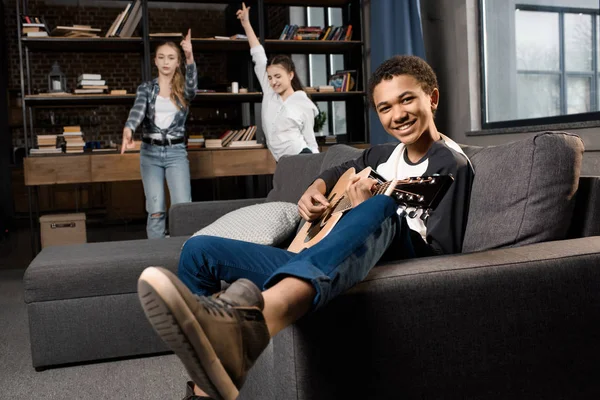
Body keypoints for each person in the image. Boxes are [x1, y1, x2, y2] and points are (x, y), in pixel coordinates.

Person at [137, 54, 474, 400]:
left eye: (407, 100)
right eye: (385, 107)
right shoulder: (382, 156)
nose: (397, 115)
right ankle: (210, 385)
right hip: (320, 262)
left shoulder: (452, 164)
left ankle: (256, 323)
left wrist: (366, 212)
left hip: (390, 265)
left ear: (431, 98)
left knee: (384, 205)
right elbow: (336, 172)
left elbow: (439, 252)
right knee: (198, 251)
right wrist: (315, 190)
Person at [122, 30, 197, 239]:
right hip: (150, 153)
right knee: (155, 210)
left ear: (177, 62)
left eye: (171, 58)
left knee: (183, 209)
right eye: (162, 57)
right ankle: (156, 257)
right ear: (155, 61)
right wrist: (129, 128)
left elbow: (193, 86)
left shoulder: (183, 89)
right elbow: (137, 110)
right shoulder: (146, 89)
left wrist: (190, 56)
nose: (166, 62)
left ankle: (184, 257)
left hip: (176, 153)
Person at [236, 2, 319, 161]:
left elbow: (310, 140)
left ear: (290, 75)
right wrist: (246, 24)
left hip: (302, 157)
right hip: (282, 161)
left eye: (278, 76)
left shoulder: (303, 103)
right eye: (270, 77)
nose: (273, 82)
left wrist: (317, 168)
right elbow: (259, 56)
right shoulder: (269, 92)